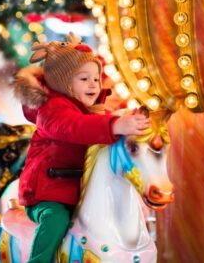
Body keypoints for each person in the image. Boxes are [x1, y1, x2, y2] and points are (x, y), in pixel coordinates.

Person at [13, 32, 150, 263]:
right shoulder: (52, 110)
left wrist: (129, 121)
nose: (93, 85)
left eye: (96, 79)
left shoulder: (91, 112)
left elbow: (100, 126)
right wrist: (116, 124)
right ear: (63, 82)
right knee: (56, 220)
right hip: (47, 192)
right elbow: (74, 127)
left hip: (79, 191)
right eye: (83, 78)